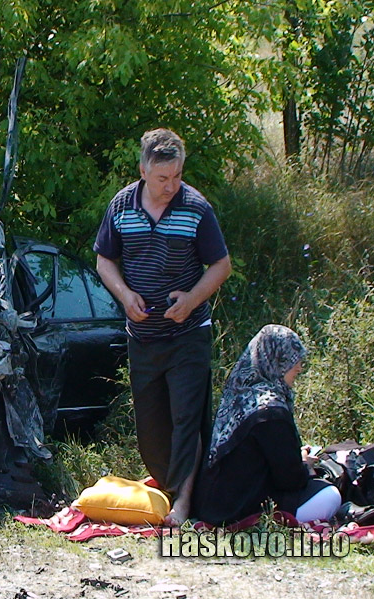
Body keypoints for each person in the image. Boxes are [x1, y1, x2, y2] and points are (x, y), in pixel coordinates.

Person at [94, 128, 232, 525]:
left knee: (188, 416)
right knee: (152, 429)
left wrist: (191, 299)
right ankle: (174, 489)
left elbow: (221, 265)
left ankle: (185, 503)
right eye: (162, 178)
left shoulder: (196, 208)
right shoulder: (121, 205)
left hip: (189, 333)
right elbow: (105, 260)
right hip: (143, 337)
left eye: (176, 176)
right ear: (142, 170)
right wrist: (124, 295)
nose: (171, 186)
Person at [193, 324, 342, 525]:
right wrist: (304, 464)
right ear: (277, 361)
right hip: (238, 510)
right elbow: (289, 481)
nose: (298, 367)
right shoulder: (271, 410)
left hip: (211, 505)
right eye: (293, 360)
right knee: (330, 495)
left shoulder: (239, 395)